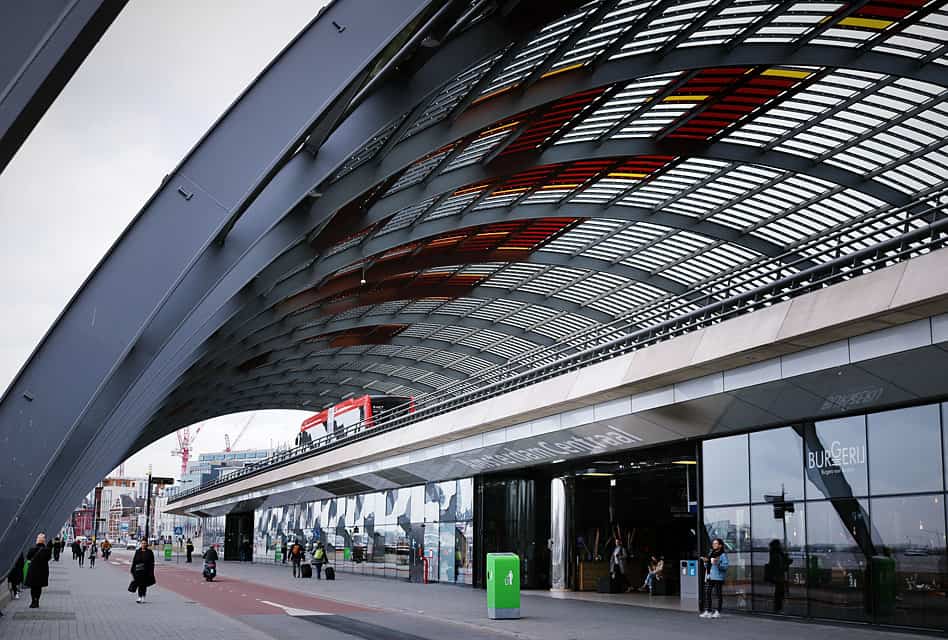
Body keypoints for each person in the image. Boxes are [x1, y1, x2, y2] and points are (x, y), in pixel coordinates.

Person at [700, 538, 729, 619]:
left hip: (718, 577)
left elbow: (725, 567)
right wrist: (705, 562)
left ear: (720, 545)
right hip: (710, 576)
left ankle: (718, 611)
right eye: (713, 543)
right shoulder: (711, 553)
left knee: (718, 594)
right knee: (707, 592)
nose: (714, 545)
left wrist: (717, 563)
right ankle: (708, 611)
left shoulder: (722, 555)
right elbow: (708, 566)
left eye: (716, 543)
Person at [24, 533, 52, 608]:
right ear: (44, 541)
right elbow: (48, 558)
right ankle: (37, 601)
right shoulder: (47, 550)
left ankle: (33, 601)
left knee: (33, 587)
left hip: (33, 570)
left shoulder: (32, 549)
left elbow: (28, 557)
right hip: (42, 571)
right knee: (39, 587)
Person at [766, 539, 791, 613]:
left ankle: (778, 608)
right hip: (779, 576)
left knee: (779, 592)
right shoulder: (778, 554)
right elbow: (779, 566)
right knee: (779, 592)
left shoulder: (774, 553)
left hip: (777, 576)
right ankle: (778, 608)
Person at [130, 539, 156, 603]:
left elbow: (152, 563)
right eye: (142, 543)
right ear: (140, 544)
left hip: (146, 571)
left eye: (145, 543)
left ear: (146, 544)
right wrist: (132, 570)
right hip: (138, 571)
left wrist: (151, 572)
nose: (143, 544)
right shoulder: (138, 551)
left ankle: (143, 597)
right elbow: (134, 561)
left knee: (143, 585)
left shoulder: (149, 552)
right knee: (139, 584)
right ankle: (139, 597)